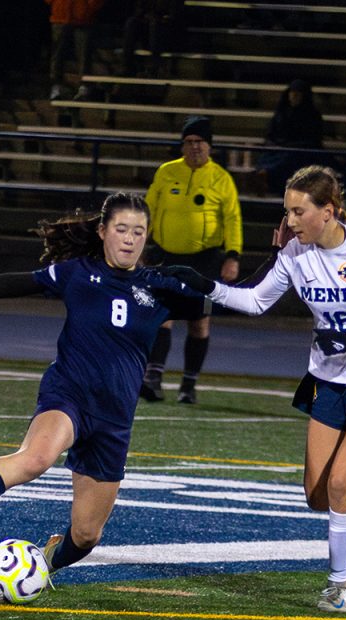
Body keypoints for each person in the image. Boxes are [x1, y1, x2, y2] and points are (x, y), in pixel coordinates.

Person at [0, 193, 208, 580]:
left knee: (85, 535)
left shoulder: (162, 288)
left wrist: (281, 260)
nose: (129, 239)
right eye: (121, 229)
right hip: (69, 394)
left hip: (113, 421)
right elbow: (14, 284)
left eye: (138, 232)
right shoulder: (78, 273)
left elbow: (246, 300)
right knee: (36, 458)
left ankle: (44, 564)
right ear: (102, 231)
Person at [159, 165, 346, 613]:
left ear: (329, 211)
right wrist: (206, 287)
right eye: (287, 211)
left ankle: (339, 586)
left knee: (341, 482)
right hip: (327, 378)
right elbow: (257, 301)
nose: (290, 222)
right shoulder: (296, 253)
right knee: (320, 496)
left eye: (298, 212)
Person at [140, 115, 243, 404]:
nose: (195, 147)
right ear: (182, 145)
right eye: (189, 142)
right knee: (162, 317)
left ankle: (188, 385)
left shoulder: (221, 178)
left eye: (200, 141)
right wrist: (140, 241)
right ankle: (154, 378)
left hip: (205, 259)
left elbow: (232, 219)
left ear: (210, 146)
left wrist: (232, 255)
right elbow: (149, 208)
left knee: (199, 321)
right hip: (165, 254)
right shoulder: (166, 172)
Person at [255, 79, 326, 195]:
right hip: (279, 147)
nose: (293, 97)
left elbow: (312, 139)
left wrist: (288, 145)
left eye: (297, 95)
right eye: (292, 94)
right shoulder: (281, 113)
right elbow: (271, 133)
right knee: (266, 156)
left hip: (300, 151)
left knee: (288, 158)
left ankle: (266, 177)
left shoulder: (312, 116)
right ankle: (263, 177)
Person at [46, 0, 105, 100]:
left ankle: (84, 86)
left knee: (84, 54)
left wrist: (88, 7)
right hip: (61, 13)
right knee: (58, 54)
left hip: (82, 17)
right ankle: (56, 86)